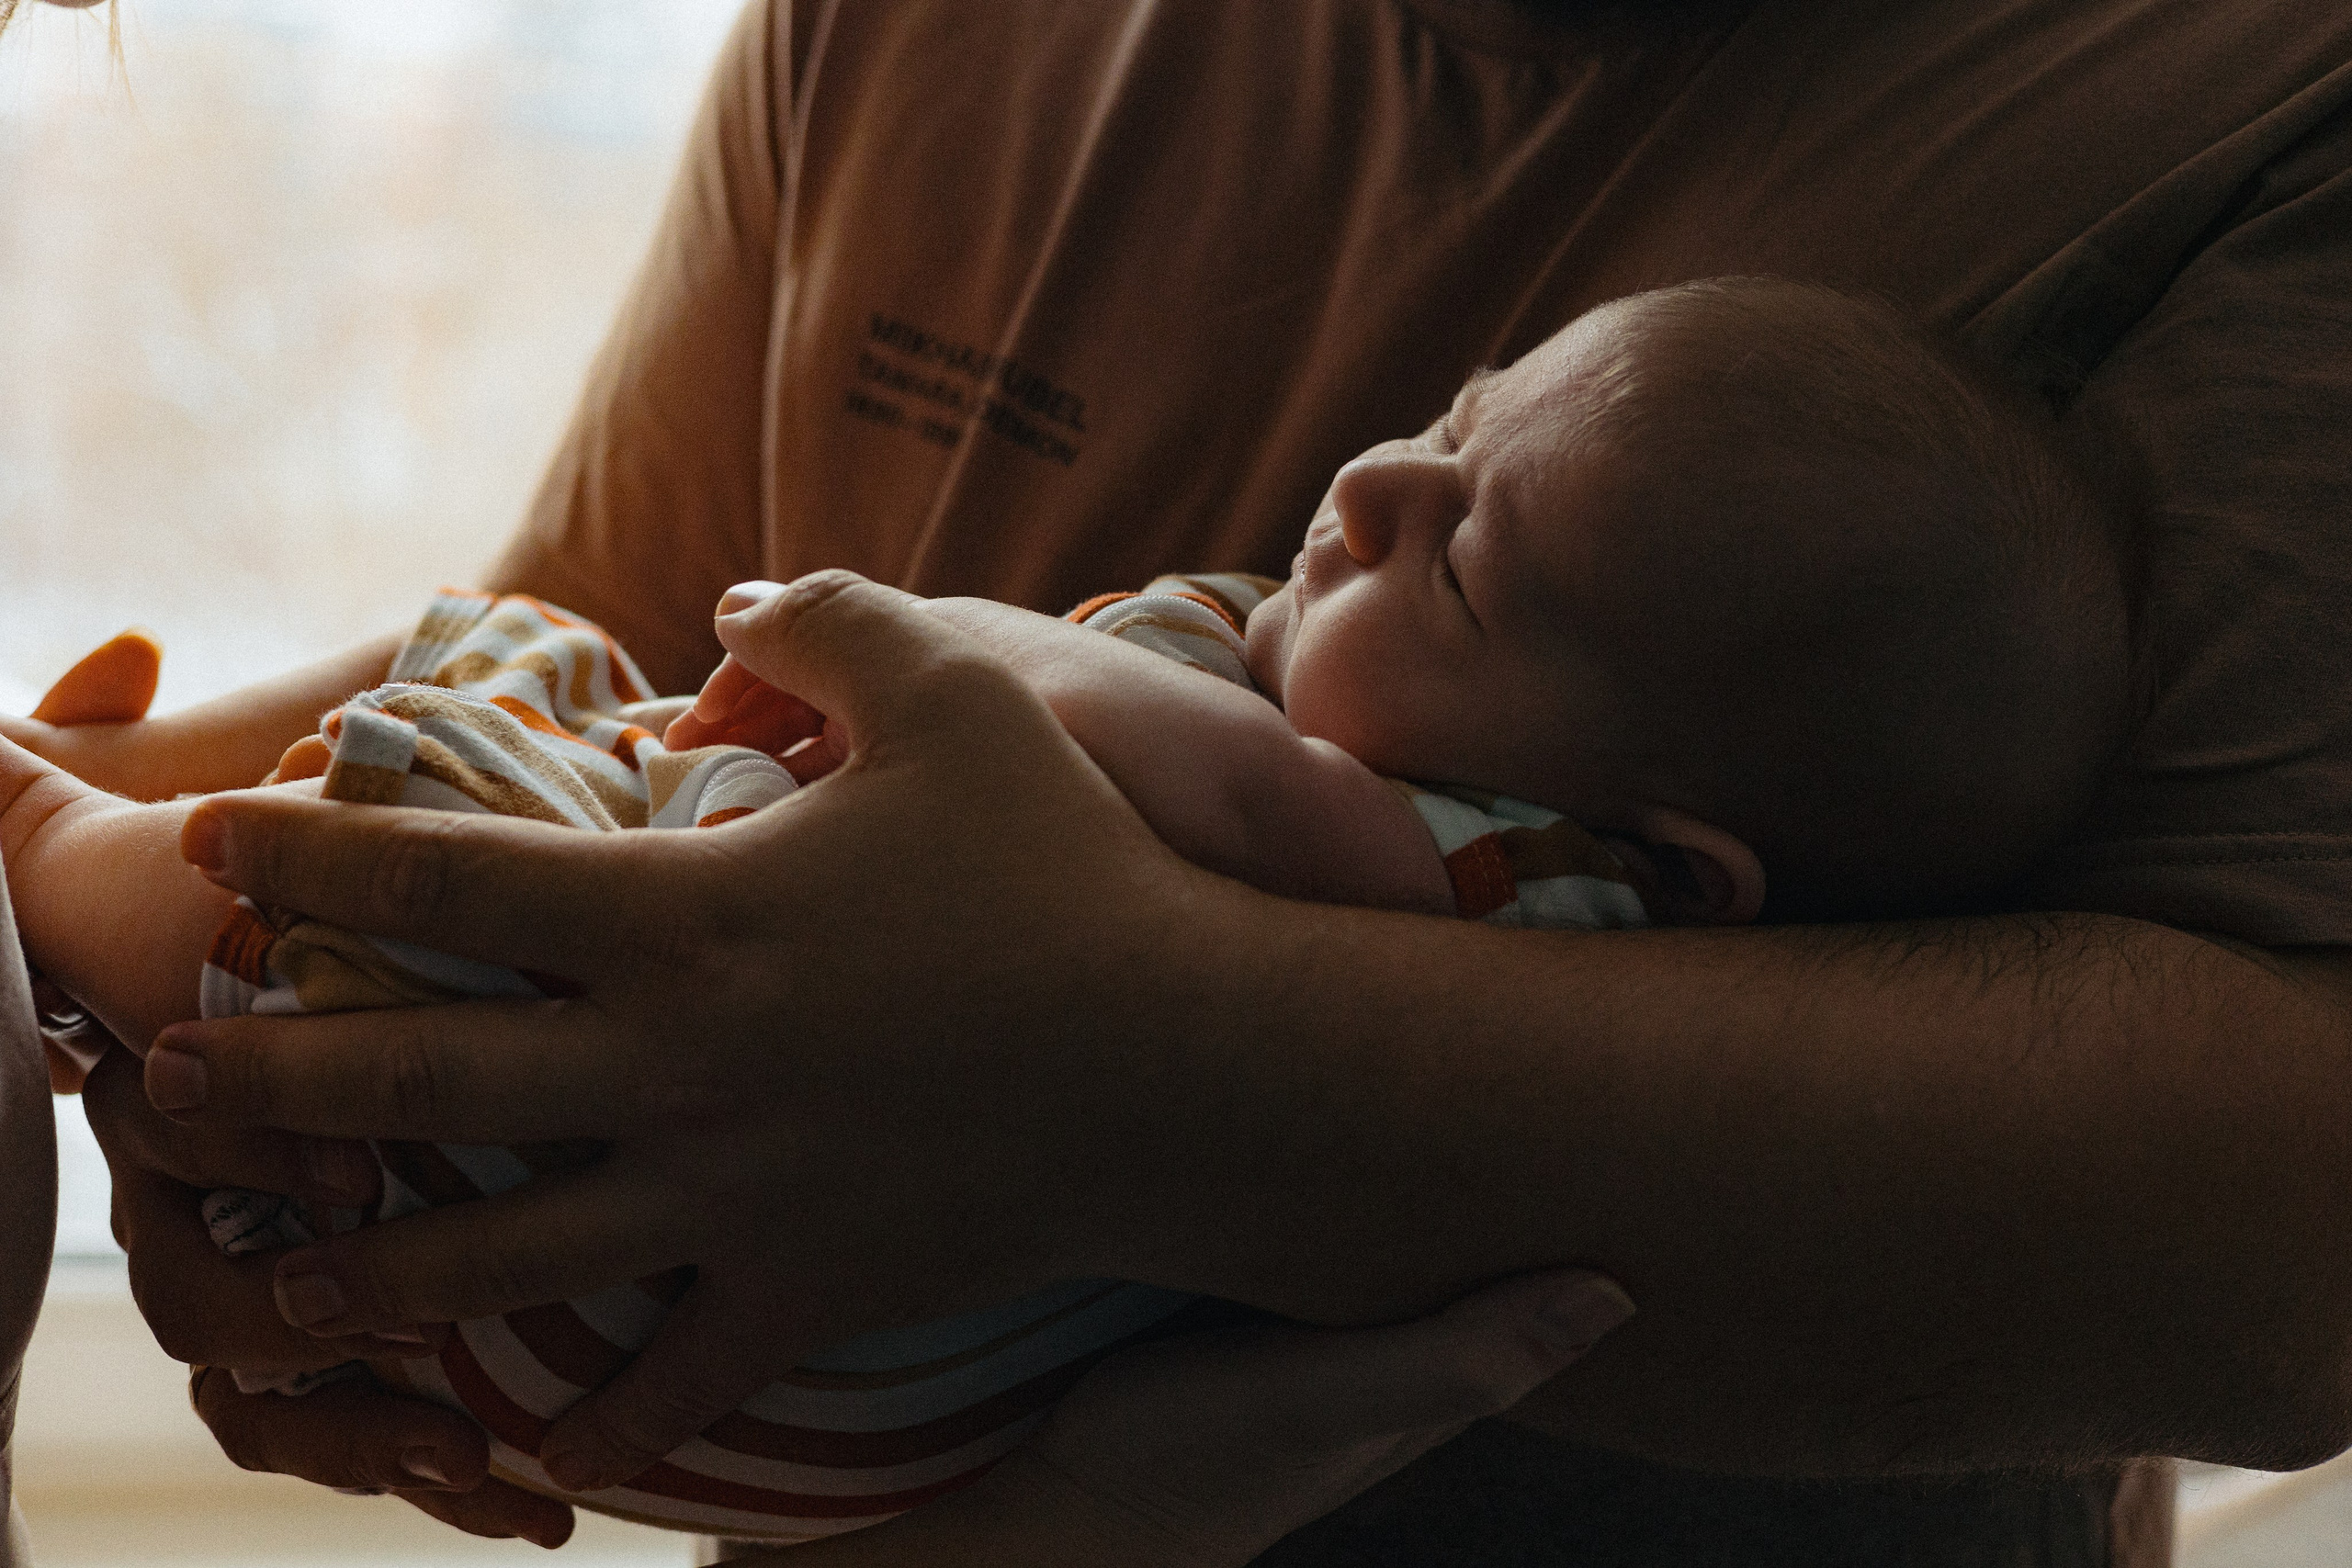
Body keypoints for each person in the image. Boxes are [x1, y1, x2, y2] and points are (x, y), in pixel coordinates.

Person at [42, 0, 2352, 1562]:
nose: (1366, 499)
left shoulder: (2261, 103)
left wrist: (1124, 1048)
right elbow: (632, 621)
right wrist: (231, 1080)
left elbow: (2284, 1234)